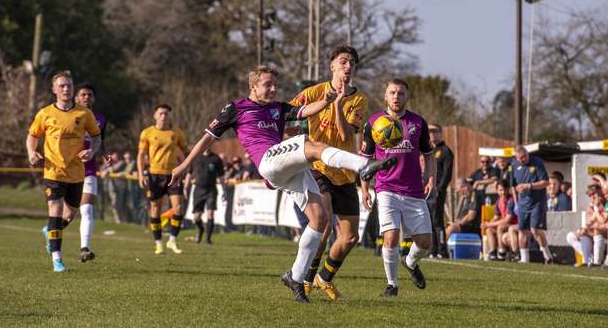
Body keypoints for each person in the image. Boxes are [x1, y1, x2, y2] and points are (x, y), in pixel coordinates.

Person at [170, 65, 395, 303]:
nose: (273, 89)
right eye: (267, 84)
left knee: (320, 220)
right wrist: (184, 166)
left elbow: (305, 110)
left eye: (275, 85)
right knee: (311, 144)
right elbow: (208, 137)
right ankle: (362, 165)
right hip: (269, 162)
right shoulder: (236, 108)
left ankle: (295, 277)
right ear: (253, 86)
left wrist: (328, 100)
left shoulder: (279, 108)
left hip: (287, 166)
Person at [286, 45, 368, 301]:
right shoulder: (313, 92)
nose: (348, 66)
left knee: (350, 237)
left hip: (344, 173)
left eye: (352, 63)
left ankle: (324, 278)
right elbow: (286, 114)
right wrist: (286, 137)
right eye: (343, 61)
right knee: (323, 223)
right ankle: (305, 279)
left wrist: (338, 103)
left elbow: (346, 135)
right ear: (332, 66)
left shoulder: (359, 100)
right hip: (318, 168)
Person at [361, 78, 435, 298]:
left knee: (425, 242)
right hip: (386, 188)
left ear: (407, 97)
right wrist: (365, 188)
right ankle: (391, 284)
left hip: (413, 190)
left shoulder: (418, 122)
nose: (396, 96)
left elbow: (429, 156)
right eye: (392, 92)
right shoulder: (374, 123)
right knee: (391, 236)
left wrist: (430, 179)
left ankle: (410, 262)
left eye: (401, 93)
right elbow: (365, 159)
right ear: (385, 96)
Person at [27, 71, 101, 272]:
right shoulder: (45, 114)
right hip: (53, 171)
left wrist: (91, 150)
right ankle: (57, 259)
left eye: (69, 85)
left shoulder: (84, 114)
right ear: (54, 89)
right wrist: (32, 152)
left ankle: (50, 230)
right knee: (56, 210)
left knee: (70, 215)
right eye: (61, 86)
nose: (66, 89)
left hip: (77, 173)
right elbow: (33, 135)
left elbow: (96, 137)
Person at [137, 104, 189, 255]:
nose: (163, 116)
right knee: (155, 209)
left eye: (166, 113)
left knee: (178, 208)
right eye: (160, 113)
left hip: (172, 175)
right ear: (155, 115)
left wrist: (186, 168)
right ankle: (158, 243)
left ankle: (172, 240)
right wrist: (141, 174)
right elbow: (141, 155)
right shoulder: (147, 132)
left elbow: (185, 151)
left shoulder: (176, 132)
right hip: (154, 175)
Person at [73, 82, 108, 263]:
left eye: (90, 95)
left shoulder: (100, 118)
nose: (87, 98)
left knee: (86, 209)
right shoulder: (69, 116)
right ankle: (51, 232)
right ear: (76, 98)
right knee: (68, 215)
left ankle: (84, 248)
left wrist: (105, 157)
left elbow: (101, 141)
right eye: (83, 95)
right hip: (68, 170)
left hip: (89, 170)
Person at [511, 146, 553, 264]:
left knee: (535, 230)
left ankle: (547, 256)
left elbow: (545, 182)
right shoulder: (514, 165)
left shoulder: (537, 162)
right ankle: (524, 259)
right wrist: (516, 202)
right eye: (520, 158)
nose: (523, 159)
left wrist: (529, 186)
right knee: (522, 230)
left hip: (537, 202)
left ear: (528, 154)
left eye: (525, 156)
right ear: (516, 158)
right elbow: (513, 185)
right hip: (522, 203)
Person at [190, 149, 226, 244]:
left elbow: (221, 176)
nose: (208, 146)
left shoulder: (216, 158)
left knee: (210, 213)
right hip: (198, 189)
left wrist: (224, 190)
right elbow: (189, 173)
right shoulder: (196, 157)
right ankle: (201, 229)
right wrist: (185, 187)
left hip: (211, 189)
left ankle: (208, 239)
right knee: (196, 217)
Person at [428, 124, 454, 258]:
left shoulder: (445, 151)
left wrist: (439, 189)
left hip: (437, 191)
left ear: (440, 133)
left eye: (434, 131)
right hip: (426, 190)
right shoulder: (428, 150)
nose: (431, 134)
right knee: (428, 221)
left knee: (437, 221)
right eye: (429, 131)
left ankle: (442, 250)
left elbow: (447, 174)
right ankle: (432, 250)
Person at [567, 184, 607, 267]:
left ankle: (597, 262)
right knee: (571, 236)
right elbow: (589, 222)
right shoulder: (590, 206)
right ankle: (588, 258)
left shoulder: (606, 203)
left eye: (594, 194)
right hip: (594, 230)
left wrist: (596, 209)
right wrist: (584, 228)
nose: (592, 197)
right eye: (590, 195)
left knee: (596, 230)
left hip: (605, 230)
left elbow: (603, 222)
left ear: (600, 193)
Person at [482, 180, 517, 260]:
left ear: (508, 189)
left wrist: (490, 224)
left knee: (500, 227)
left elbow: (508, 219)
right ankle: (493, 252)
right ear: (497, 191)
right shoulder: (498, 201)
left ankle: (502, 251)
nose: (503, 192)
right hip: (505, 225)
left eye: (505, 190)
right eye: (501, 190)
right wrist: (487, 224)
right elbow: (496, 217)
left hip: (513, 224)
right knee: (489, 230)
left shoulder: (511, 200)